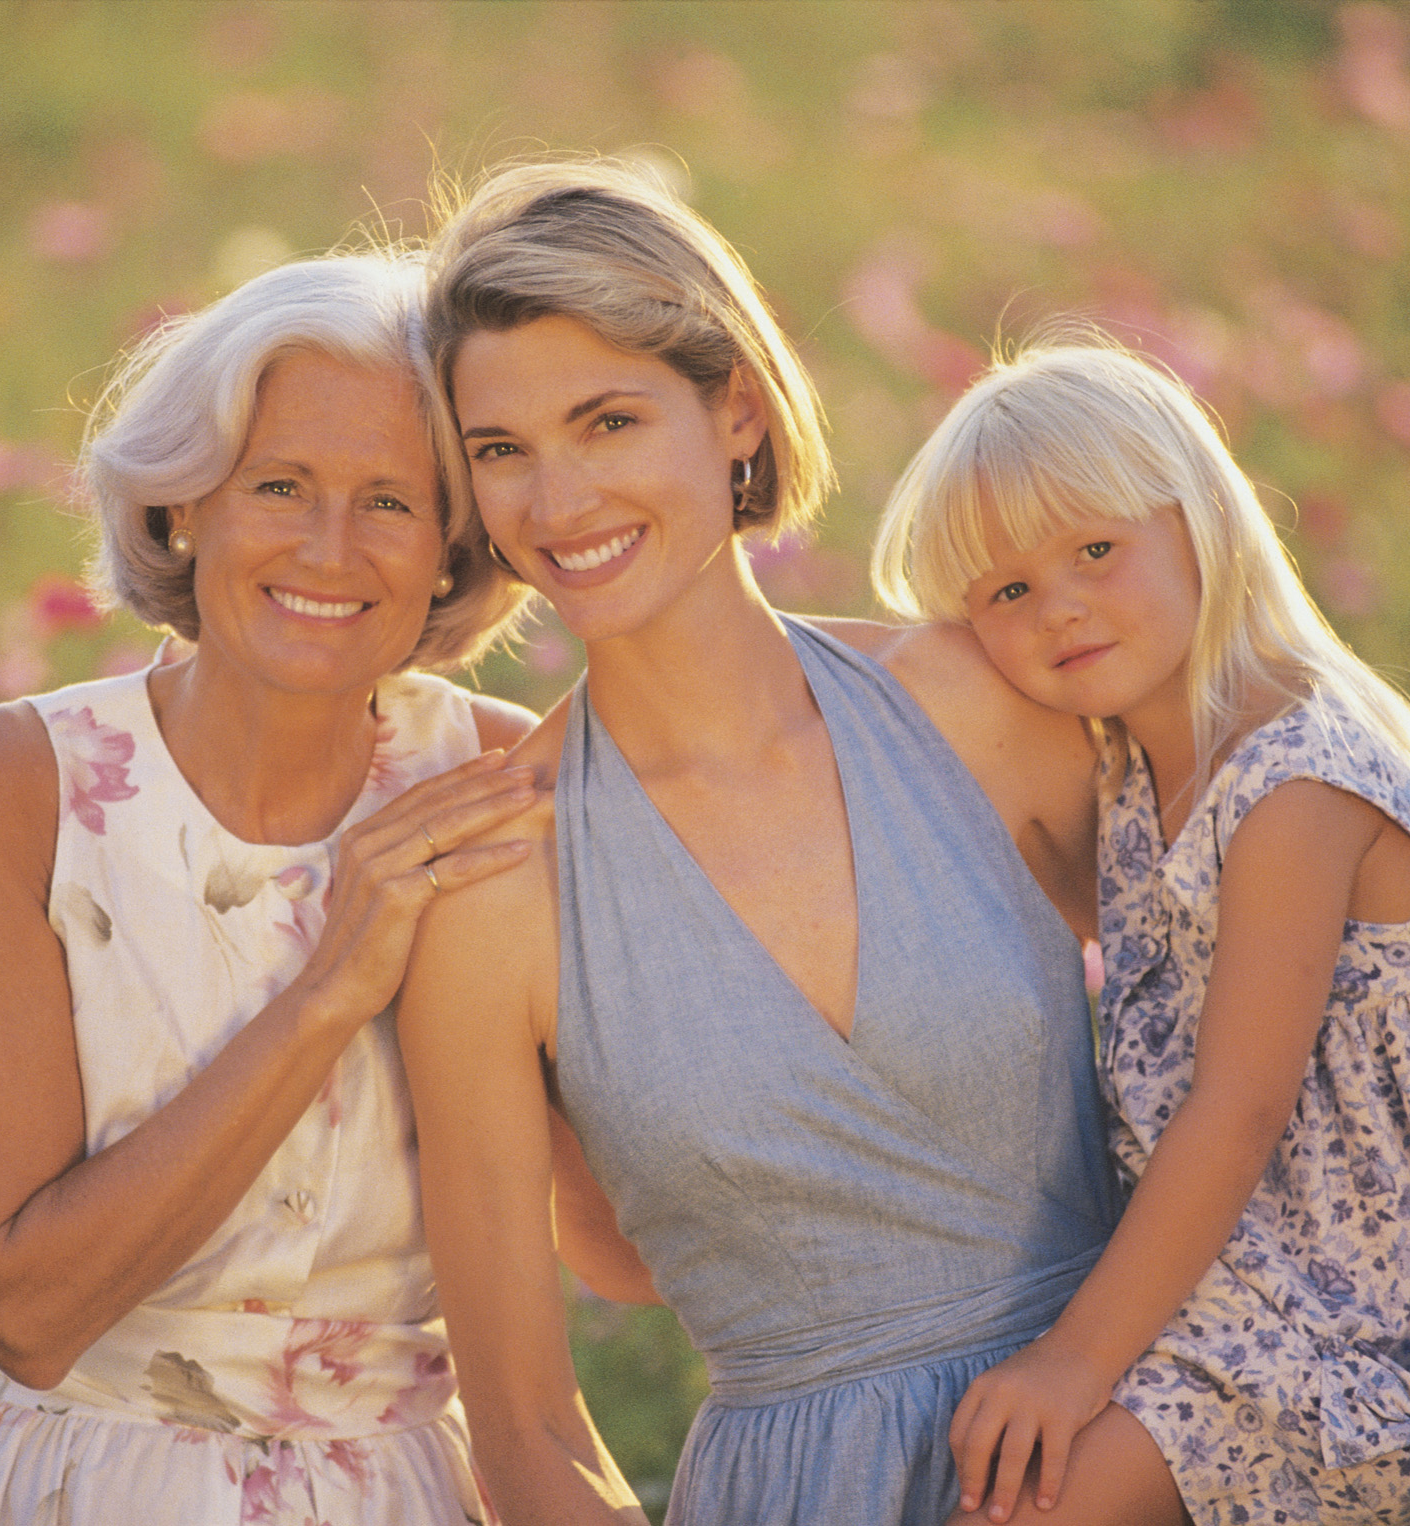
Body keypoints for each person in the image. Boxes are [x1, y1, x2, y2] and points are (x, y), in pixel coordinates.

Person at [0, 250, 642, 1526]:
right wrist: (335, 981)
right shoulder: (14, 785)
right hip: (52, 1481)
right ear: (181, 506)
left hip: (399, 1490)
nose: (330, 549)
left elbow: (622, 1257)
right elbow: (28, 1311)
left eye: (392, 500)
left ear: (452, 546)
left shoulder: (503, 776)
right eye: (280, 484)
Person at [396, 159, 1132, 1526]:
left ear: (734, 408)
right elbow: (521, 1429)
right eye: (500, 451)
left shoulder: (977, 706)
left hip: (1138, 1444)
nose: (556, 505)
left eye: (606, 421)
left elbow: (1263, 1031)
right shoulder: (496, 891)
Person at [869, 338, 1410, 1525]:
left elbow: (1239, 1110)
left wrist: (1073, 1360)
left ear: (1200, 518)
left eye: (1095, 548)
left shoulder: (1292, 780)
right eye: (1008, 591)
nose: (1063, 605)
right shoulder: (1142, 758)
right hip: (1241, 1259)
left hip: (1338, 1301)